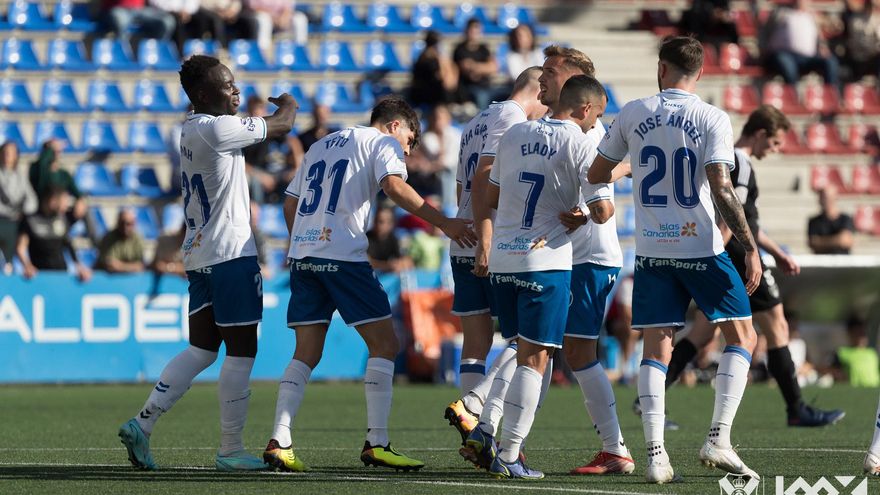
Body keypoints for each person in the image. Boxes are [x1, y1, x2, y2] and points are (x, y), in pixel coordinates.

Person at [264, 96, 475, 472]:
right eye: (408, 141)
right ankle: (377, 442)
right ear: (395, 126)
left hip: (304, 256)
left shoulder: (320, 144)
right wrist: (445, 223)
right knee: (386, 344)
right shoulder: (381, 143)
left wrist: (302, 243)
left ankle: (280, 441)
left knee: (305, 353)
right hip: (343, 256)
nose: (406, 152)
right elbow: (393, 186)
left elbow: (290, 203)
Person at [589, 36, 761, 483]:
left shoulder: (633, 112)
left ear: (661, 68)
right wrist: (749, 247)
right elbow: (722, 188)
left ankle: (655, 456)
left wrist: (634, 166)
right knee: (743, 336)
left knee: (656, 349)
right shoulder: (712, 117)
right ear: (700, 73)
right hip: (700, 246)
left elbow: (597, 172)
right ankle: (718, 438)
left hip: (652, 249)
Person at [118, 54, 298, 471]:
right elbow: (283, 124)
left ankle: (143, 423)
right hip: (231, 254)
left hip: (199, 255)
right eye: (227, 84)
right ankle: (231, 449)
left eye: (234, 83)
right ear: (202, 94)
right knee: (242, 350)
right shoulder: (218, 128)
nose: (236, 90)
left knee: (201, 349)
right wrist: (289, 102)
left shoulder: (190, 127)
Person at [657, 105, 845, 427]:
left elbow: (748, 222)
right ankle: (796, 408)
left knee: (703, 331)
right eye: (774, 142)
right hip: (740, 257)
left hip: (729, 252)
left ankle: (651, 396)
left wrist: (776, 252)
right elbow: (732, 218)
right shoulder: (740, 163)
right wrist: (735, 253)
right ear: (759, 134)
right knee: (777, 325)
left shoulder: (725, 160)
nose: (775, 150)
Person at [470, 76, 610, 480]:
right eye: (597, 115)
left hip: (504, 260)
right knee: (535, 359)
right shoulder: (581, 141)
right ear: (585, 108)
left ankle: (485, 427)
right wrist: (579, 211)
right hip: (544, 260)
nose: (595, 123)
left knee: (519, 351)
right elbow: (602, 212)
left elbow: (492, 195)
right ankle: (509, 453)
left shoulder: (515, 134)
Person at [442, 66, 546, 447]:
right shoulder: (512, 117)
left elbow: (461, 189)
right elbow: (483, 178)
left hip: (464, 237)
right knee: (526, 338)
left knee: (476, 342)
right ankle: (478, 411)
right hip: (492, 242)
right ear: (537, 92)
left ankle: (472, 431)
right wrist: (486, 240)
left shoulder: (474, 123)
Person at [15, 185, 91, 282]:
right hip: (39, 276)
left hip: (61, 275)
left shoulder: (62, 219)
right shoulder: (30, 220)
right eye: (63, 201)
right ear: (52, 201)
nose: (66, 205)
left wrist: (79, 266)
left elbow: (68, 245)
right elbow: (21, 248)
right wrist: (27, 265)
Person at [761, 0, 840, 85]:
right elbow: (766, 33)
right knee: (787, 64)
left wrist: (822, 48)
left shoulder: (811, 17)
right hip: (783, 54)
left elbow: (819, 38)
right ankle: (792, 91)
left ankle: (831, 91)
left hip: (807, 57)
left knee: (830, 61)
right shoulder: (781, 13)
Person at [0, 141, 37, 268]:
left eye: (11, 153)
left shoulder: (21, 177)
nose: (7, 156)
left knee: (8, 261)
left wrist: (22, 210)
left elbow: (32, 201)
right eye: (5, 152)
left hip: (13, 223)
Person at [29, 139, 86, 221]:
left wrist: (80, 200)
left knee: (83, 206)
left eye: (58, 152)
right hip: (42, 211)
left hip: (60, 211)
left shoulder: (63, 174)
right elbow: (43, 168)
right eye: (53, 152)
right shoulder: (36, 169)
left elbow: (76, 192)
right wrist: (50, 149)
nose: (55, 155)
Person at [418, 104, 462, 208]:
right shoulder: (426, 137)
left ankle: (449, 205)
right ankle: (446, 205)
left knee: (449, 172)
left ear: (448, 119)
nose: (438, 121)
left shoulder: (455, 134)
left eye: (441, 118)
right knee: (445, 173)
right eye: (435, 117)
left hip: (454, 173)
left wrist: (435, 164)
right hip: (431, 179)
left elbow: (450, 161)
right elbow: (437, 157)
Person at [453, 18, 498, 109]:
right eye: (472, 31)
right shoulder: (460, 49)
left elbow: (493, 68)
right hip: (468, 88)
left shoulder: (484, 49)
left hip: (486, 86)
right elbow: (466, 69)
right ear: (466, 31)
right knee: (482, 97)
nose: (474, 34)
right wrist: (484, 68)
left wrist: (475, 66)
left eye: (477, 31)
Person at [410, 30, 458, 108]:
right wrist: (442, 62)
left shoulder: (434, 58)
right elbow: (445, 80)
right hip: (429, 95)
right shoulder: (427, 61)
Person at [95, 209, 146, 274]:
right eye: (122, 223)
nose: (125, 227)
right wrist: (131, 267)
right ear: (117, 222)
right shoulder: (109, 238)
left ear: (134, 224)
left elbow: (140, 266)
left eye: (128, 224)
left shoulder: (138, 239)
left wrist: (121, 266)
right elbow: (110, 265)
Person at [101, 0, 176, 44]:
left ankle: (155, 51)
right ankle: (121, 52)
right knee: (120, 20)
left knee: (167, 20)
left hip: (140, 10)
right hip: (118, 9)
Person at [808, 186, 855, 254]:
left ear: (835, 198)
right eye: (823, 197)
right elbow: (813, 243)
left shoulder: (846, 219)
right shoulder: (814, 221)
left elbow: (845, 241)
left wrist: (821, 241)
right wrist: (837, 240)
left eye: (828, 198)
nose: (826, 201)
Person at [841, 0, 880, 81]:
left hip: (874, 57)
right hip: (858, 57)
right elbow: (854, 42)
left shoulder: (876, 19)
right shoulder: (855, 19)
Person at [366, 206, 410, 273]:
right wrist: (387, 266)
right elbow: (367, 262)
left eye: (381, 221)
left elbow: (405, 260)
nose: (377, 224)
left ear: (391, 224)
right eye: (376, 220)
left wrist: (399, 264)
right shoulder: (367, 238)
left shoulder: (393, 238)